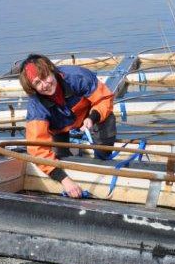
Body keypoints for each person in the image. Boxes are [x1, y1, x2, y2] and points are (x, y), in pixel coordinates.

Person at [19, 54, 116, 198]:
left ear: (52, 71)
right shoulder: (36, 107)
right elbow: (37, 148)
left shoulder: (77, 77)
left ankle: (102, 161)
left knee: (107, 120)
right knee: (59, 157)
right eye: (38, 83)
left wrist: (93, 117)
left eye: (45, 77)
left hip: (86, 116)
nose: (45, 85)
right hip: (58, 127)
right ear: (33, 88)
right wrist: (65, 180)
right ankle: (66, 172)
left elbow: (104, 98)